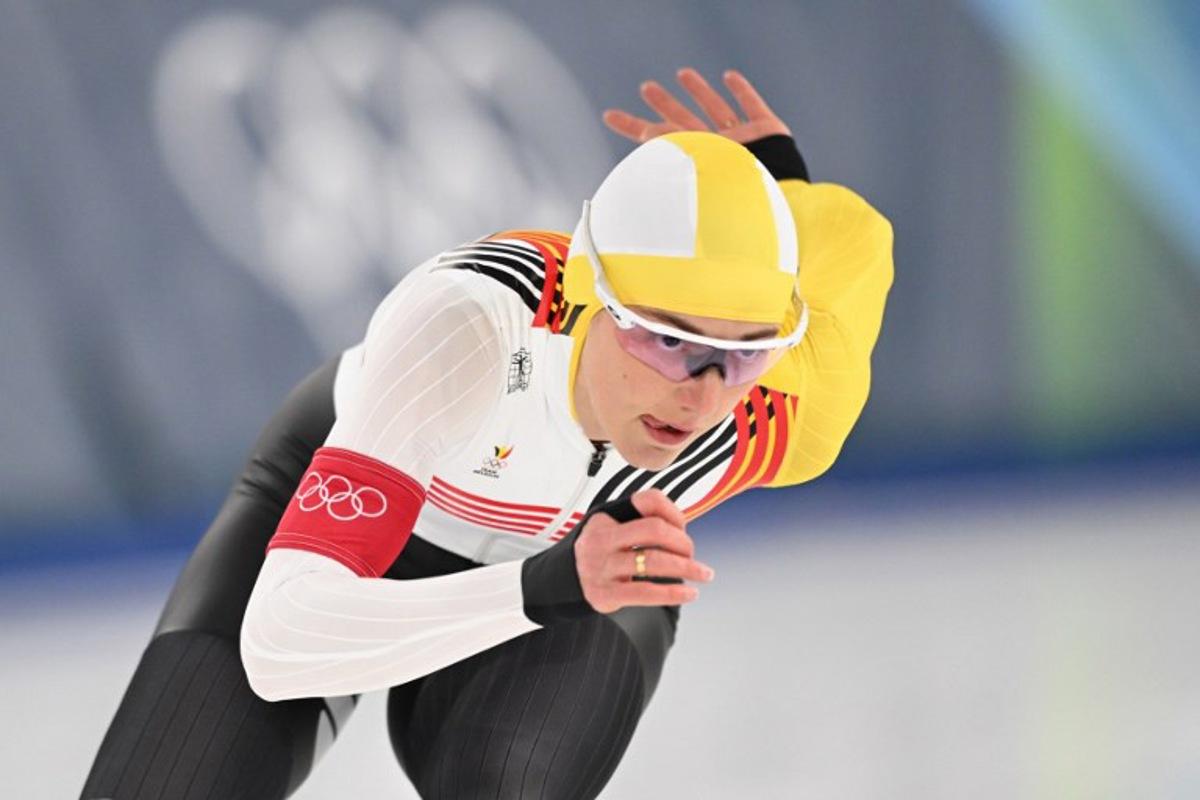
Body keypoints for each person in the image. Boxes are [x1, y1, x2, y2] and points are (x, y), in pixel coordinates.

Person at [82, 67, 893, 800]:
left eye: (745, 354)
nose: (703, 394)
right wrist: (542, 585)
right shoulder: (472, 330)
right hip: (424, 518)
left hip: (589, 568)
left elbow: (854, 247)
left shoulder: (781, 410)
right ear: (591, 293)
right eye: (665, 339)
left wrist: (771, 199)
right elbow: (281, 641)